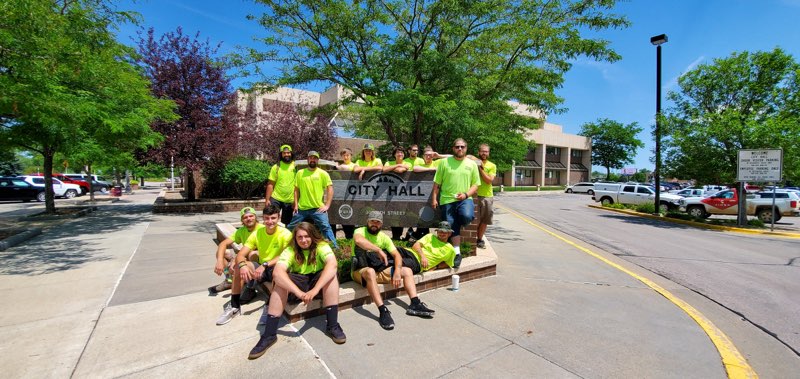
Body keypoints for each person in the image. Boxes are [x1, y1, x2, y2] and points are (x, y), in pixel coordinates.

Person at [247, 222, 346, 359]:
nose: (303, 240)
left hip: (317, 284)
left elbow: (332, 264)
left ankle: (333, 325)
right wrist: (300, 293)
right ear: (295, 239)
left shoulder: (321, 246)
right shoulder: (290, 250)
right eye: (300, 237)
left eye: (306, 236)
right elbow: (278, 272)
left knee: (331, 276)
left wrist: (315, 290)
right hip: (298, 284)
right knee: (280, 282)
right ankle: (269, 335)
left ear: (312, 236)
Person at [351, 211, 435, 330]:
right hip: (360, 271)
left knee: (407, 271)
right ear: (367, 222)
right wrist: (378, 250)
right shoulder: (360, 231)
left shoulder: (384, 237)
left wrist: (397, 272)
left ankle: (415, 304)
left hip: (378, 271)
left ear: (381, 224)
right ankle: (383, 310)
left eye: (378, 222)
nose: (374, 224)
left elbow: (397, 255)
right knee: (370, 272)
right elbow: (359, 241)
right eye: (372, 221)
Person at [216, 205, 293, 325]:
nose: (270, 221)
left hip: (277, 266)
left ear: (279, 218)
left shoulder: (286, 234)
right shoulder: (257, 233)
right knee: (238, 266)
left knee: (278, 271)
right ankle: (235, 306)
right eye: (267, 218)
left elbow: (286, 255)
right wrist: (242, 266)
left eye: (273, 218)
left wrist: (266, 264)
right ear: (263, 218)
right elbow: (241, 254)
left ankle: (269, 308)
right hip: (261, 267)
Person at [431, 138, 479, 268]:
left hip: (465, 199)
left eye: (462, 147)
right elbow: (437, 184)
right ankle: (457, 253)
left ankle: (459, 221)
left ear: (466, 148)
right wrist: (434, 199)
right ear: (453, 148)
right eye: (457, 147)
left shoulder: (472, 164)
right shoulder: (444, 163)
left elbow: (475, 185)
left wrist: (465, 195)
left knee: (466, 216)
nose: (460, 149)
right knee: (451, 226)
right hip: (446, 200)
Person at [287, 151, 338, 248]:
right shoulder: (300, 173)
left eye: (315, 158)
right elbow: (296, 190)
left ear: (317, 160)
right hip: (302, 209)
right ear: (308, 159)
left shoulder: (323, 173)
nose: (312, 160)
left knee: (325, 227)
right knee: (291, 227)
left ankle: (335, 248)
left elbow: (330, 189)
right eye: (311, 158)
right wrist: (296, 205)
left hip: (317, 209)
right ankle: (285, 246)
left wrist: (327, 205)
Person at [209, 207, 263, 295]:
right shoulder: (241, 231)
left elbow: (253, 249)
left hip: (259, 260)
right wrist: (219, 261)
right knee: (222, 253)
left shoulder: (262, 229)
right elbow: (223, 244)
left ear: (255, 217)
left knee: (253, 254)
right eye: (245, 217)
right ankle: (229, 279)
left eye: (251, 216)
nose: (249, 219)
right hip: (244, 256)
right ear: (242, 220)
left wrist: (236, 260)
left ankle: (250, 282)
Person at [382, 146, 412, 240]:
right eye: (398, 152)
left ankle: (398, 236)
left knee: (401, 214)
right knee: (392, 214)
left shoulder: (408, 162)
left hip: (403, 193)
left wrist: (393, 168)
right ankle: (395, 237)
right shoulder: (388, 162)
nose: (400, 154)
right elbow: (384, 169)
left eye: (402, 153)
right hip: (390, 194)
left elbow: (401, 170)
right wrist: (397, 165)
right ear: (394, 154)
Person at [265, 144, 296, 226]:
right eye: (284, 153)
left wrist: (296, 201)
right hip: (276, 198)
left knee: (287, 223)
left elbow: (299, 185)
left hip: (290, 200)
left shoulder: (296, 166)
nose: (286, 154)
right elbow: (271, 184)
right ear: (281, 154)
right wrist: (267, 199)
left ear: (291, 153)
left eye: (288, 153)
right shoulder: (276, 167)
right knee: (271, 218)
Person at [475, 144, 496, 249]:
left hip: (487, 196)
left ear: (489, 153)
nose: (484, 153)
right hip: (474, 195)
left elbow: (489, 180)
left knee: (484, 220)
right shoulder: (473, 163)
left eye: (486, 151)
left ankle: (479, 239)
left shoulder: (492, 165)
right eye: (482, 151)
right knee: (475, 219)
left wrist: (480, 169)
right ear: (478, 152)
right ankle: (472, 238)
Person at [336, 148, 356, 239]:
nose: (346, 156)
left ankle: (350, 238)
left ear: (351, 156)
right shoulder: (338, 167)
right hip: (341, 195)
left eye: (348, 155)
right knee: (343, 215)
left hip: (353, 195)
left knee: (351, 218)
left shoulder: (355, 165)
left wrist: (340, 167)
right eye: (344, 155)